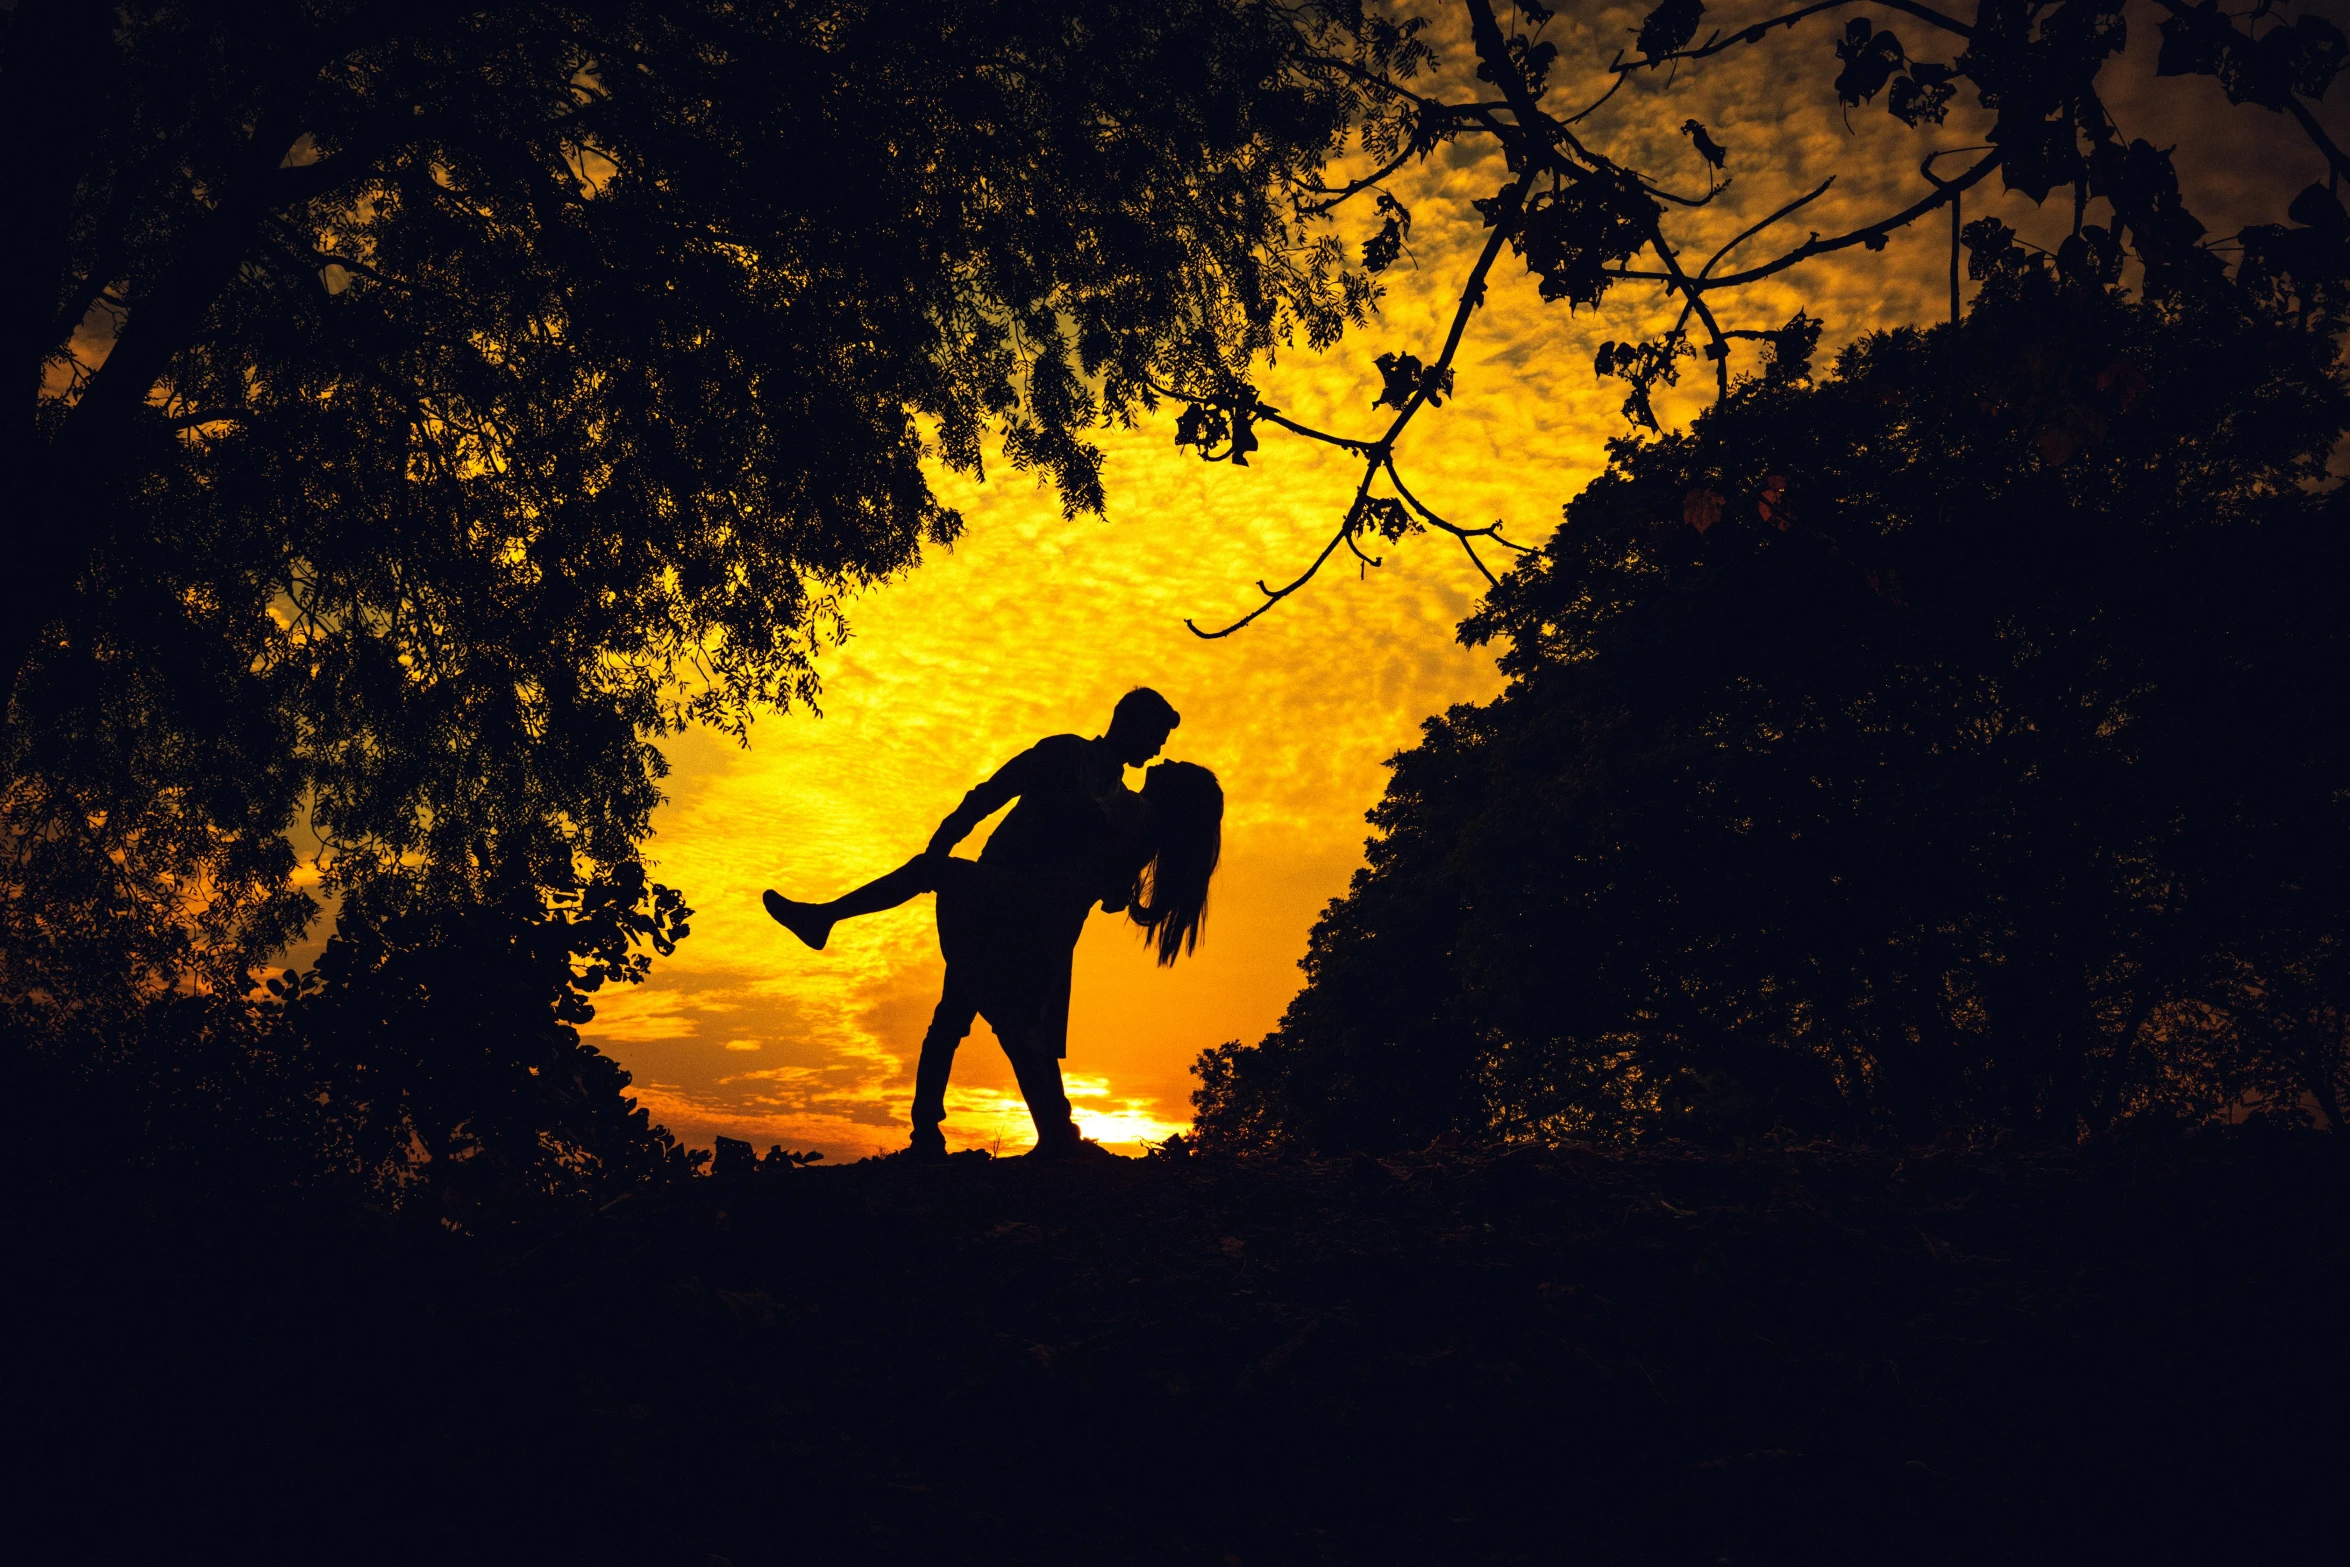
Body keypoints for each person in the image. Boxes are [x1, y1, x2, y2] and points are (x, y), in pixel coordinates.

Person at [762, 689, 1222, 1158]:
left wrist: (1104, 875)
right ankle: (941, 1133)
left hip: (1027, 911)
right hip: (1000, 899)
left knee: (1004, 1022)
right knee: (960, 1015)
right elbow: (990, 795)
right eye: (1157, 736)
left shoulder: (1129, 807)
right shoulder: (1067, 753)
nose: (1160, 750)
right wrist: (946, 838)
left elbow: (1104, 883)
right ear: (1130, 722)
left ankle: (1023, 1132)